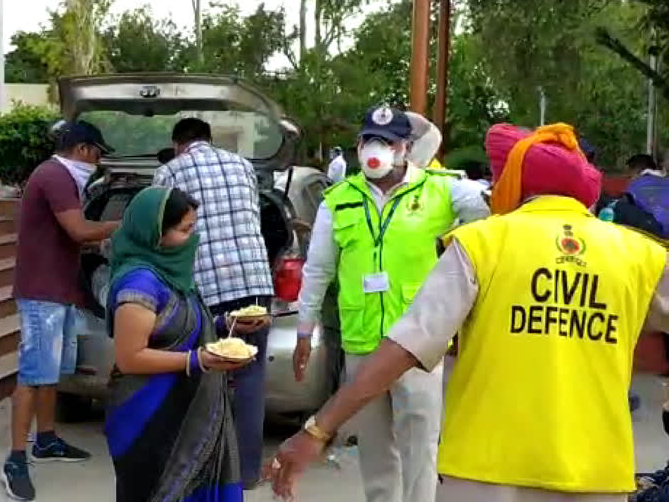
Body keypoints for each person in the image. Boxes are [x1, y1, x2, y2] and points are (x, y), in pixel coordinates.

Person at [271, 122, 669, 502]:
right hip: (596, 471)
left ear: (514, 183)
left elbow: (406, 346)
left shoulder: (480, 243)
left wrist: (318, 429)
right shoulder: (640, 254)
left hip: (486, 470)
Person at [292, 106, 489, 502]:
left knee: (421, 446)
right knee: (376, 450)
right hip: (362, 341)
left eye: (387, 141)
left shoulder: (442, 190)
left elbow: (496, 209)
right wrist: (303, 330)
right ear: (358, 145)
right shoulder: (339, 200)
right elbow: (317, 270)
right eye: (368, 140)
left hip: (419, 345)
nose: (375, 149)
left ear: (406, 149)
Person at [104, 187, 247, 502]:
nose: (193, 239)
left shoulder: (171, 274)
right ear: (155, 235)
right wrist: (197, 361)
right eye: (185, 231)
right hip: (150, 418)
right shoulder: (138, 284)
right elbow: (130, 358)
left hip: (189, 409)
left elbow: (179, 325)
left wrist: (226, 324)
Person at [152, 117, 272, 490]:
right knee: (250, 377)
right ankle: (248, 473)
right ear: (209, 138)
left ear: (178, 144)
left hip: (205, 288)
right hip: (254, 283)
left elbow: (159, 229)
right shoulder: (244, 166)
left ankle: (206, 470)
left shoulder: (168, 173)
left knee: (202, 375)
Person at [4, 121, 120, 501]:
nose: (99, 162)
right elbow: (78, 230)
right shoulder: (54, 175)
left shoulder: (63, 178)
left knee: (51, 371)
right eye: (99, 154)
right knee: (33, 374)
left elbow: (68, 237)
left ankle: (47, 439)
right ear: (85, 149)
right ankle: (16, 459)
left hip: (58, 290)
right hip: (42, 293)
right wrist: (124, 225)